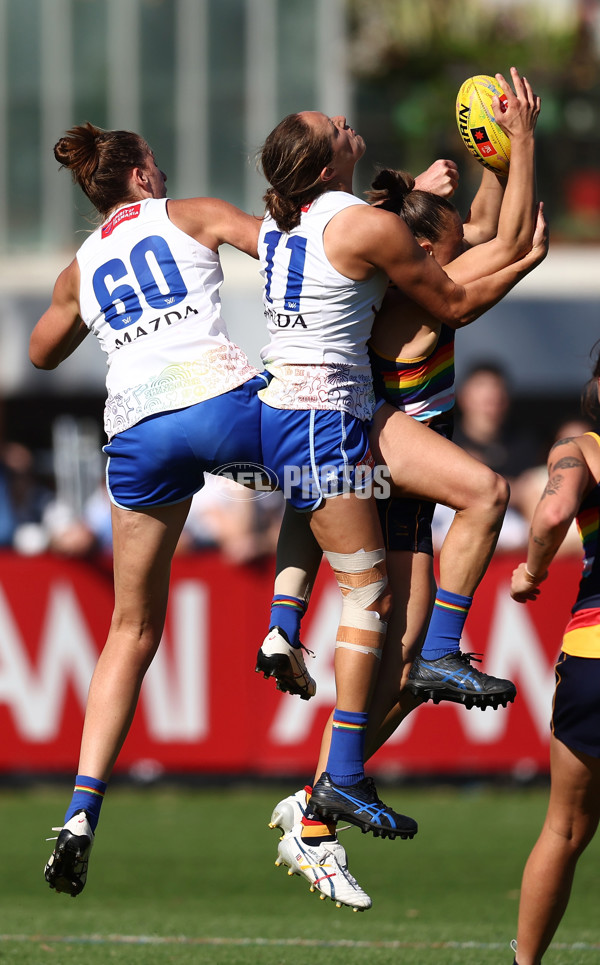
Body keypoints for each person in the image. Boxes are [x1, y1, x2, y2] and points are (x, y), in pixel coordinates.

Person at [254, 69, 546, 908]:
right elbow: (513, 245)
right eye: (449, 235)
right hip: (381, 467)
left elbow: (491, 227)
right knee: (475, 511)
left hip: (380, 467)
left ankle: (317, 804)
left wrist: (484, 158)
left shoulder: (381, 244)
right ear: (427, 247)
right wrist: (518, 145)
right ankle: (322, 793)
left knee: (402, 673)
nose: (348, 120)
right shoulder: (415, 301)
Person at [32, 122, 267, 898]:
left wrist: (91, 310)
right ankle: (289, 627)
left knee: (129, 630)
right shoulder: (191, 212)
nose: (162, 175)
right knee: (345, 482)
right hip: (219, 401)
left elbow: (40, 351)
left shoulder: (81, 267)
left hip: (137, 435)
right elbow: (287, 254)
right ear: (137, 176)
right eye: (155, 166)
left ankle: (79, 811)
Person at [509, 346, 600, 965]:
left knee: (564, 828)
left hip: (596, 649)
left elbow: (553, 511)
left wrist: (530, 570)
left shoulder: (580, 447)